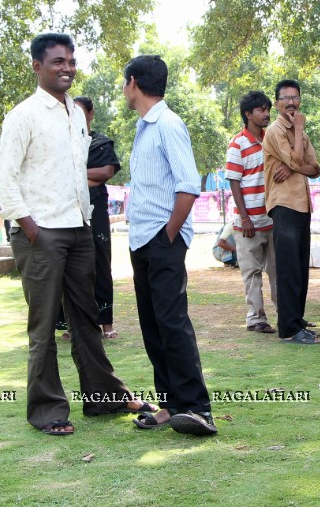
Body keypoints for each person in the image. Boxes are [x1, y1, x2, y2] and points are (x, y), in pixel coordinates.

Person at [0, 33, 152, 437]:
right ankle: (47, 410)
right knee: (45, 323)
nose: (66, 68)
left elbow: (75, 175)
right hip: (40, 233)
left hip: (78, 227)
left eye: (70, 61)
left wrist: (83, 220)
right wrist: (32, 228)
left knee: (86, 318)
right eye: (56, 62)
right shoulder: (23, 115)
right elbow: (5, 179)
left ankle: (104, 397)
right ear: (37, 67)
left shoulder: (75, 115)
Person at [123, 54, 216, 435]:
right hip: (141, 238)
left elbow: (188, 185)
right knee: (153, 325)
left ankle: (198, 409)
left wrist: (169, 234)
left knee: (173, 324)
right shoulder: (145, 127)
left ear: (133, 83)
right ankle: (170, 404)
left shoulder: (168, 124)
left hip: (162, 239)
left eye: (123, 82)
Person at [264, 79, 320, 345]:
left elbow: (315, 168)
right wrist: (298, 130)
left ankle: (297, 320)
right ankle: (288, 329)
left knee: (300, 267)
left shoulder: (302, 134)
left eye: (295, 97)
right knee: (287, 268)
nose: (291, 102)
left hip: (302, 205)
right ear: (276, 103)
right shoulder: (276, 130)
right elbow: (301, 160)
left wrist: (293, 166)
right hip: (284, 205)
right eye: (285, 98)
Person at [225, 90, 278, 334]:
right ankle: (256, 319)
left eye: (267, 109)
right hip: (249, 221)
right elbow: (234, 182)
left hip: (273, 218)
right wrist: (245, 218)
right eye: (261, 110)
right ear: (248, 114)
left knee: (278, 272)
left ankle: (286, 314)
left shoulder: (272, 139)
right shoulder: (238, 144)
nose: (267, 114)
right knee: (252, 273)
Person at [74, 96, 121, 339]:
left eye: (81, 112)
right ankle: (76, 326)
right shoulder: (64, 144)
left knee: (100, 263)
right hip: (70, 210)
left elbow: (106, 171)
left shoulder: (101, 143)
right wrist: (89, 178)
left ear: (91, 114)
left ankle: (106, 324)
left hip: (97, 210)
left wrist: (75, 174)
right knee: (72, 268)